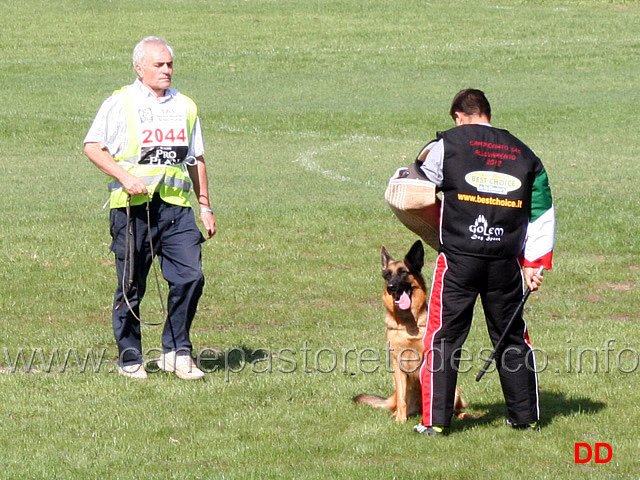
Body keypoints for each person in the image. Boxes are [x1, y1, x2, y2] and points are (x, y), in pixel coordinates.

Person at [413, 89, 555, 436]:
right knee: (511, 337)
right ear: (487, 113)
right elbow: (541, 212)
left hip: (459, 259)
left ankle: (435, 423)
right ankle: (526, 417)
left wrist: (434, 228)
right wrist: (535, 263)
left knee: (443, 337)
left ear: (459, 116)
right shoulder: (525, 154)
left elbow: (412, 187)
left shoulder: (446, 145)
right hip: (505, 263)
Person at [84, 36, 216, 380]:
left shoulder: (185, 105)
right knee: (131, 286)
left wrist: (205, 205)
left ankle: (176, 351)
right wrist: (125, 177)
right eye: (159, 64)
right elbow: (93, 147)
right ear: (139, 68)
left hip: (175, 209)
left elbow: (195, 158)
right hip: (131, 209)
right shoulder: (120, 103)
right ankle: (130, 357)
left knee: (191, 277)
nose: (167, 70)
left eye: (170, 64)